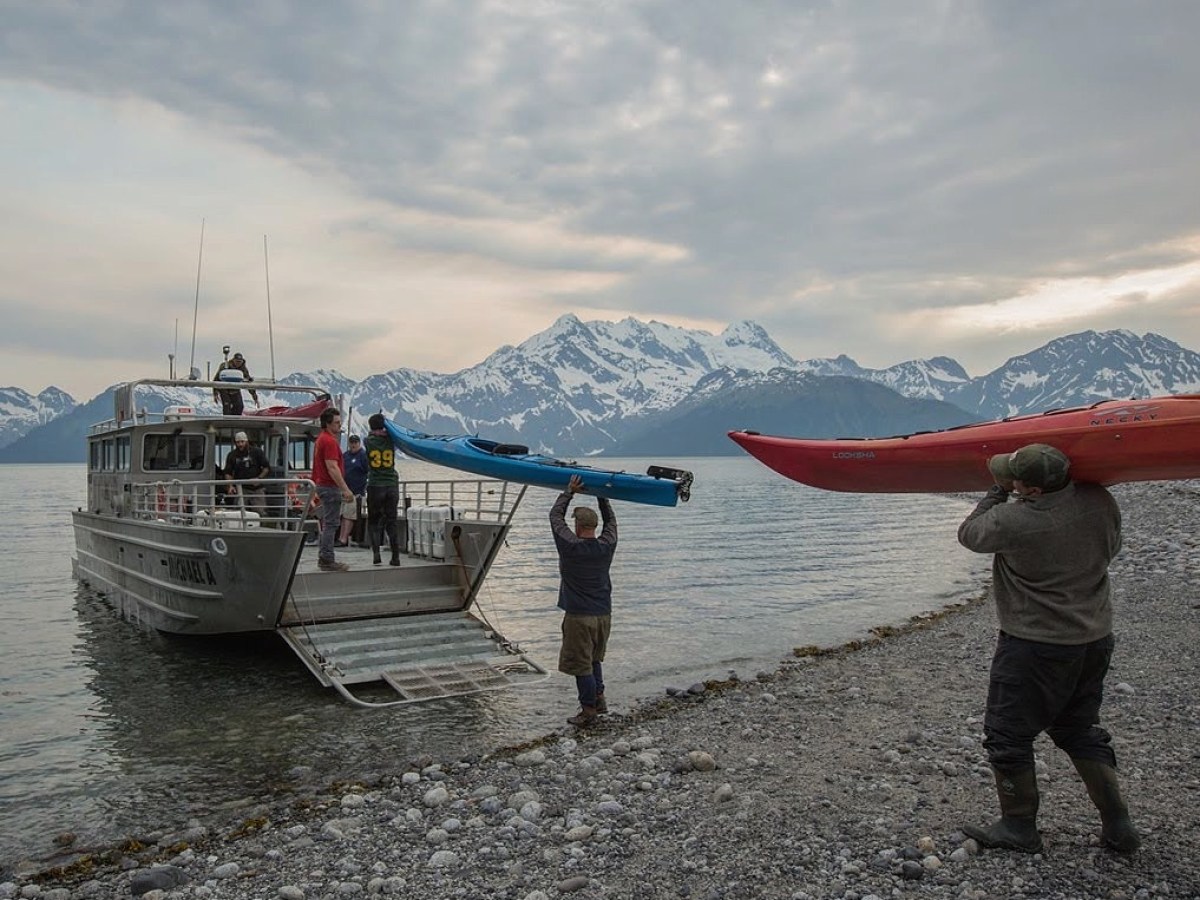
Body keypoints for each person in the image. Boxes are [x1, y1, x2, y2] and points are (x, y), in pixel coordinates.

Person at [957, 443, 1138, 854]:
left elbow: (970, 534)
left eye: (1017, 477)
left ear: (1032, 491)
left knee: (1006, 735)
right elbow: (1113, 548)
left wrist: (996, 491)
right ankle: (1118, 825)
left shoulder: (1014, 520)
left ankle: (1018, 826)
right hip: (1093, 638)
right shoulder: (1100, 502)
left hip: (1035, 645)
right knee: (1078, 728)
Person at [550, 474, 618, 727]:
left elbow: (555, 518)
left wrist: (569, 492)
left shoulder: (570, 546)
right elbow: (612, 522)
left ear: (578, 526)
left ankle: (588, 710)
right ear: (594, 526)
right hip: (604, 614)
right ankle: (599, 699)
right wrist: (603, 496)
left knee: (581, 665)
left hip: (579, 616)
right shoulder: (607, 544)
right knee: (594, 658)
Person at [312, 407, 354, 572]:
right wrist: (345, 489)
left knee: (328, 523)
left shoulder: (321, 439)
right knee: (331, 524)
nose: (339, 425)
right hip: (329, 486)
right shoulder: (329, 441)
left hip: (322, 484)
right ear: (328, 424)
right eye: (336, 422)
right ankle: (327, 559)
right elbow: (332, 467)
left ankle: (325, 556)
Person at [365, 414, 401, 566]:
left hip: (375, 484)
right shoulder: (391, 440)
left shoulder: (368, 441)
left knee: (373, 521)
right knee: (391, 521)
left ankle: (376, 554)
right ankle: (395, 556)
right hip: (391, 484)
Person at [222, 431, 270, 517]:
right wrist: (230, 485)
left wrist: (259, 478)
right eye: (238, 442)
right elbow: (228, 472)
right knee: (238, 513)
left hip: (257, 489)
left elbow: (266, 468)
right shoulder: (232, 455)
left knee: (260, 512)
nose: (240, 444)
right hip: (241, 489)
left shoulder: (257, 452)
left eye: (242, 442)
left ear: (246, 441)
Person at [337, 434, 369, 547]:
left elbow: (368, 471)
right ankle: (340, 538)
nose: (353, 444)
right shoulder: (345, 456)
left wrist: (365, 487)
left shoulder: (363, 456)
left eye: (355, 442)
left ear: (359, 443)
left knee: (348, 516)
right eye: (351, 442)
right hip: (344, 491)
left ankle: (343, 539)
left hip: (357, 492)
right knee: (341, 515)